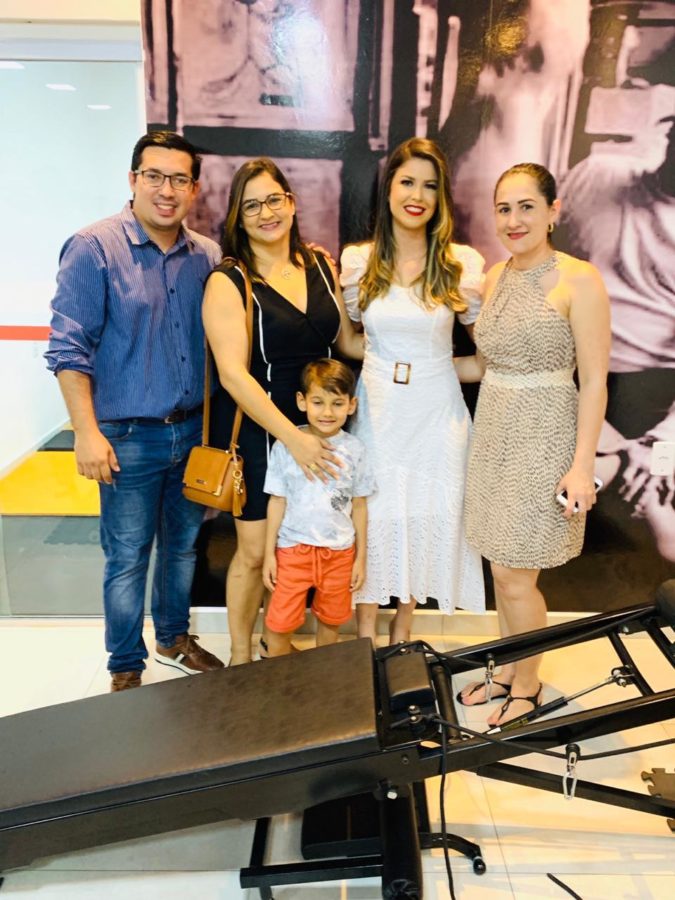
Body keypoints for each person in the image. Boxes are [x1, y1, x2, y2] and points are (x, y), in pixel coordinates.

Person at [45, 131, 225, 691]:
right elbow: (67, 349)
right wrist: (86, 433)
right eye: (155, 176)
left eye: (179, 179)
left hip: (193, 432)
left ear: (194, 188)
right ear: (133, 179)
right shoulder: (93, 248)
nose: (166, 190)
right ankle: (125, 664)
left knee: (182, 548)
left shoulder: (207, 256)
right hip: (125, 437)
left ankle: (172, 637)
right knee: (126, 556)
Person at [462, 162, 611, 726]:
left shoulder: (580, 279)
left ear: (553, 211)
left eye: (527, 207)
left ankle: (528, 685)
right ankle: (507, 666)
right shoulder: (494, 277)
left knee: (516, 573)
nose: (514, 220)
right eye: (504, 208)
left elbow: (594, 381)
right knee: (500, 568)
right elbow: (484, 365)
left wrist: (581, 465)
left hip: (546, 433)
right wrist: (406, 370)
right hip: (494, 432)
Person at [203, 158, 363, 665]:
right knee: (256, 553)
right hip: (262, 432)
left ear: (291, 203)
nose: (266, 213)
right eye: (251, 205)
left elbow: (346, 342)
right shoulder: (229, 280)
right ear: (238, 216)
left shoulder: (320, 265)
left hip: (323, 427)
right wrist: (294, 440)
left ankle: (282, 647)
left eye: (274, 199)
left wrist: (415, 354)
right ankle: (241, 657)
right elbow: (232, 375)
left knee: (315, 547)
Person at [340, 137, 486, 645]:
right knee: (374, 513)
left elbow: (485, 357)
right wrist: (388, 365)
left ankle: (404, 626)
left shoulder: (460, 264)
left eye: (429, 185)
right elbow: (349, 342)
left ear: (441, 196)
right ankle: (364, 632)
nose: (416, 195)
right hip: (378, 408)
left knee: (425, 511)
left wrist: (433, 369)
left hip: (437, 414)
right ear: (389, 190)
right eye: (407, 182)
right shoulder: (359, 262)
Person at [261, 359, 375, 656]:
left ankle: (322, 676)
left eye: (337, 404)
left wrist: (361, 558)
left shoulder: (355, 450)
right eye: (318, 402)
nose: (327, 413)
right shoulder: (285, 447)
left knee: (331, 621)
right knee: (279, 624)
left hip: (339, 554)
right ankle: (280, 677)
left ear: (351, 405)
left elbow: (359, 504)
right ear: (302, 401)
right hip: (292, 550)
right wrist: (269, 554)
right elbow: (277, 501)